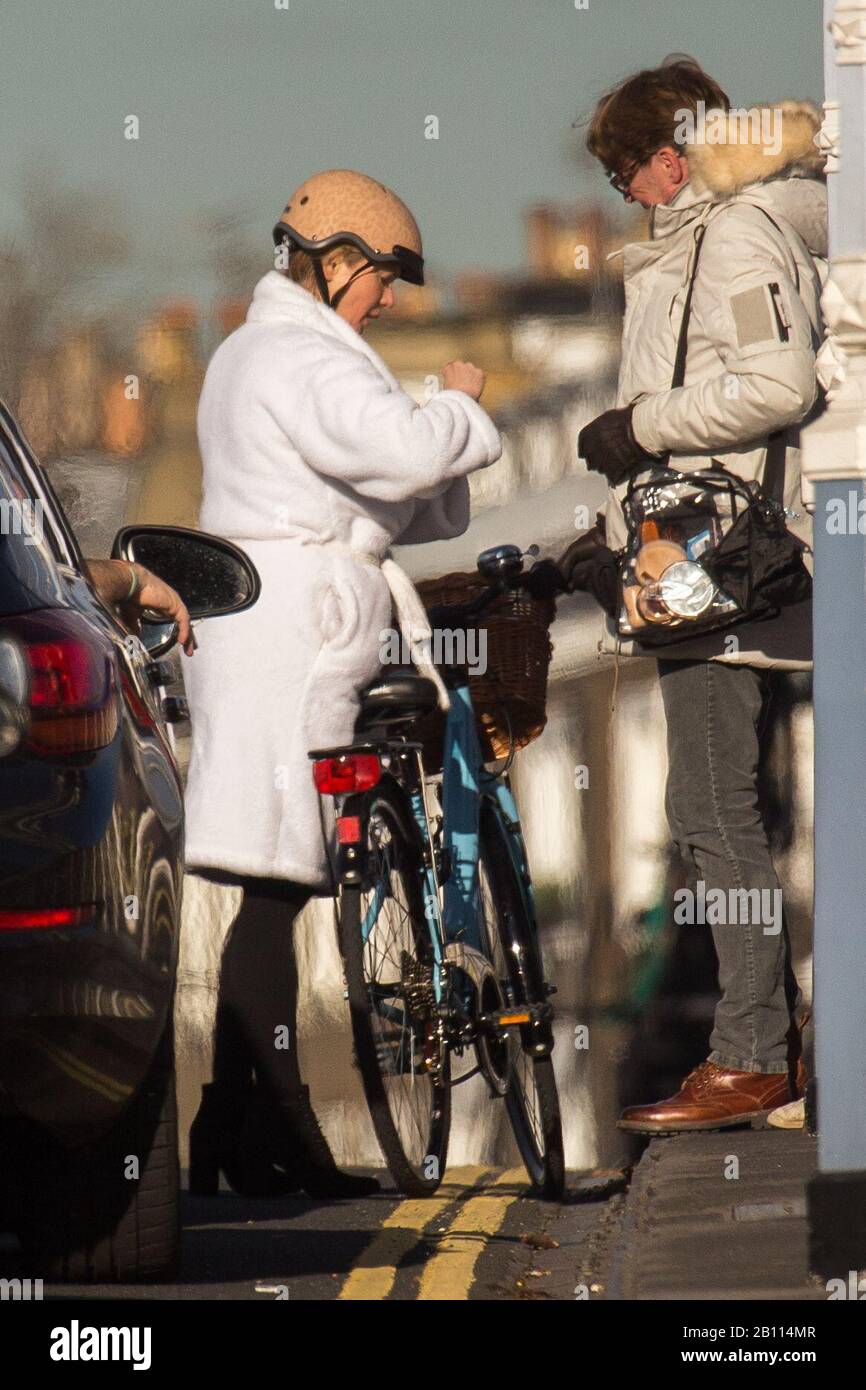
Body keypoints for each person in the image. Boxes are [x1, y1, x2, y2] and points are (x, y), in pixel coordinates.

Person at [183, 170, 501, 1196]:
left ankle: (231, 1133)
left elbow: (404, 500)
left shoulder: (264, 350)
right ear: (335, 263)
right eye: (384, 279)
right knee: (279, 887)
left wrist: (429, 440)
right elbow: (403, 454)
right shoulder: (299, 353)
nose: (391, 301)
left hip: (273, 625)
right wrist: (453, 401)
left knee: (276, 886)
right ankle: (275, 1137)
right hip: (293, 635)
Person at [532, 60, 826, 1132]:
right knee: (709, 807)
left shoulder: (733, 233)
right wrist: (603, 533)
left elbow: (775, 386)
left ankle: (751, 1054)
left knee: (708, 808)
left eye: (624, 169)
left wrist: (637, 425)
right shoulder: (703, 240)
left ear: (673, 153)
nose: (622, 192)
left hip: (725, 572)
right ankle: (765, 1047)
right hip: (693, 562)